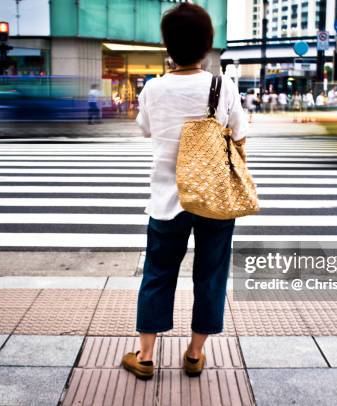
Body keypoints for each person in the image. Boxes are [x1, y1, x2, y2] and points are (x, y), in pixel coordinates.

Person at [121, 2, 247, 380]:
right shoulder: (223, 86)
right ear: (207, 45)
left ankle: (144, 356)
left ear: (168, 45)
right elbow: (240, 134)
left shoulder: (154, 88)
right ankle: (194, 354)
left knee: (158, 272)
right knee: (211, 274)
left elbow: (145, 129)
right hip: (214, 199)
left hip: (166, 199)